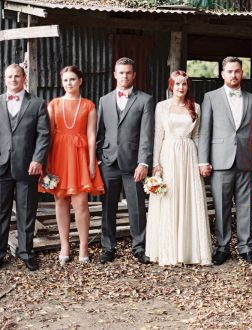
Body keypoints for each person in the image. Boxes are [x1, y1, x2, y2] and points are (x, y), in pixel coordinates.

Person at [0, 64, 50, 272]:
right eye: (9, 76)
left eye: (17, 76)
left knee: (26, 212)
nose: (13, 79)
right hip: (0, 166)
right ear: (4, 79)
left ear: (24, 78)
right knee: (0, 213)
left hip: (27, 167)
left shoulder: (37, 104)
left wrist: (37, 160)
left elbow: (44, 135)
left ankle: (26, 252)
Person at [198, 56, 252, 265]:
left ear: (242, 73)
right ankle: (222, 247)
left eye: (237, 71)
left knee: (246, 206)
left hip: (246, 160)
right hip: (220, 161)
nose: (233, 75)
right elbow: (205, 131)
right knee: (221, 206)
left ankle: (246, 248)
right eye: (229, 71)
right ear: (222, 74)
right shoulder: (211, 97)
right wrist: (203, 160)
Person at [39, 66, 105, 265]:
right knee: (60, 201)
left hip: (79, 155)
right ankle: (64, 244)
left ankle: (83, 246)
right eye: (66, 80)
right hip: (58, 155)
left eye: (73, 79)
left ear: (80, 81)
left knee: (81, 202)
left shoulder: (88, 105)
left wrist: (91, 162)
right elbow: (48, 134)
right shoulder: (54, 104)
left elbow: (92, 135)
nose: (69, 83)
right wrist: (46, 161)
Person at [145, 71, 212, 266]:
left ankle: (189, 251)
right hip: (168, 154)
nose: (180, 87)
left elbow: (197, 136)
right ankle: (168, 250)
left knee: (189, 198)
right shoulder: (162, 106)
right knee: (169, 197)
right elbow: (158, 135)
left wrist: (201, 162)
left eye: (184, 84)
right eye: (177, 84)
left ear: (188, 86)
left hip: (189, 155)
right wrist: (156, 164)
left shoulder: (196, 107)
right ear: (171, 86)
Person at [96, 57, 154, 264]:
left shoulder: (145, 100)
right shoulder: (104, 100)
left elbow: (147, 134)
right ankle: (108, 247)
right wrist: (99, 159)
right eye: (121, 72)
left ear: (134, 75)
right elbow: (100, 132)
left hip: (133, 163)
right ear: (115, 75)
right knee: (107, 208)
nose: (124, 76)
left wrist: (143, 163)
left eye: (128, 72)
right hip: (109, 162)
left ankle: (139, 247)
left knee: (137, 207)